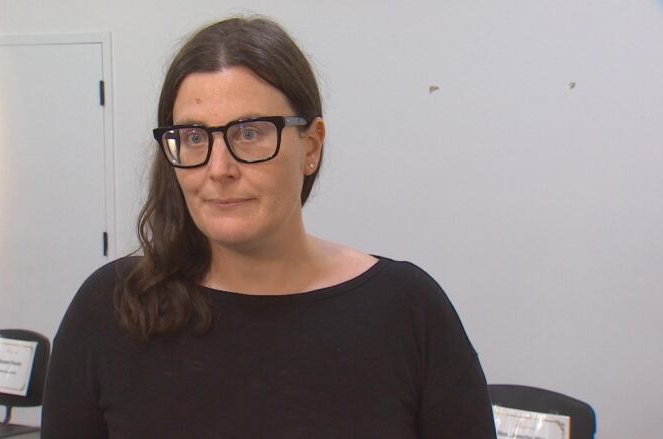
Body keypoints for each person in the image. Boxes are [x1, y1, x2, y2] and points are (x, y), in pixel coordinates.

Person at [41, 16, 496, 438]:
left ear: (311, 145)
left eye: (250, 132)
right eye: (195, 137)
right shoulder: (112, 309)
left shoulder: (406, 311)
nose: (219, 168)